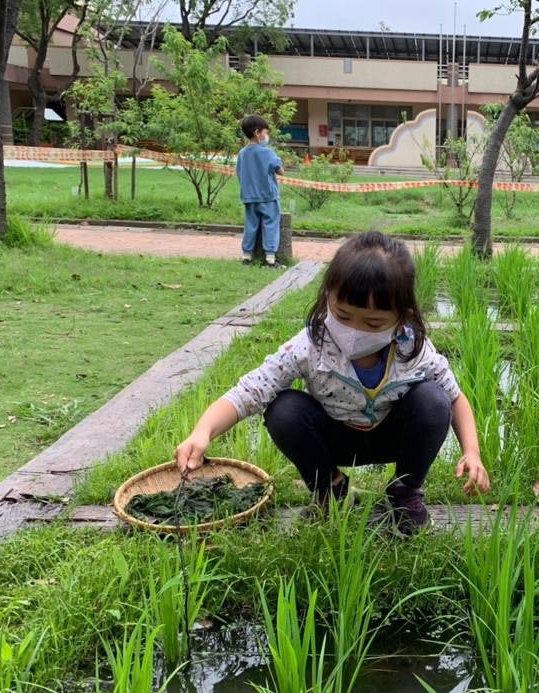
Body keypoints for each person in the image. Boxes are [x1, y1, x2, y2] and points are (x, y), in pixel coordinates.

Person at [174, 231, 491, 535]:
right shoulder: (309, 346)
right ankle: (332, 489)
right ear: (328, 297)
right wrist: (203, 431)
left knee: (434, 400)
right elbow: (250, 391)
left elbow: (455, 398)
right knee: (283, 409)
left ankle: (405, 492)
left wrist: (472, 452)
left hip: (391, 438)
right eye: (342, 315)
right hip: (334, 439)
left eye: (373, 323)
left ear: (402, 318)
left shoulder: (414, 349)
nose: (354, 331)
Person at [237, 115, 284, 267]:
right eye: (266, 132)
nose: (267, 136)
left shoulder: (242, 153)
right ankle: (270, 258)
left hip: (249, 197)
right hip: (268, 196)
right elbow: (280, 171)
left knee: (250, 226)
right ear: (257, 132)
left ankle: (246, 256)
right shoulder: (267, 152)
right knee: (271, 224)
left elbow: (239, 173)